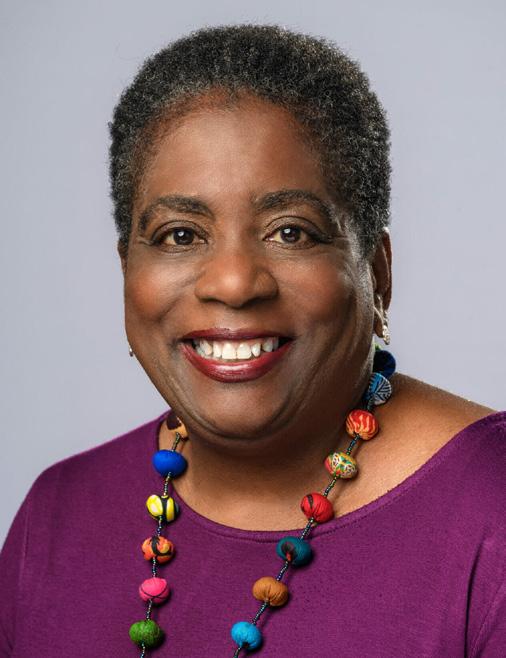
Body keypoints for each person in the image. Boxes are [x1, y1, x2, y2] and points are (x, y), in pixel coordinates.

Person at [1, 23, 504, 658]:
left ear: (377, 274)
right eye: (180, 235)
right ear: (128, 270)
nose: (234, 284)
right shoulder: (55, 517)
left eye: (291, 232)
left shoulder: (491, 515)